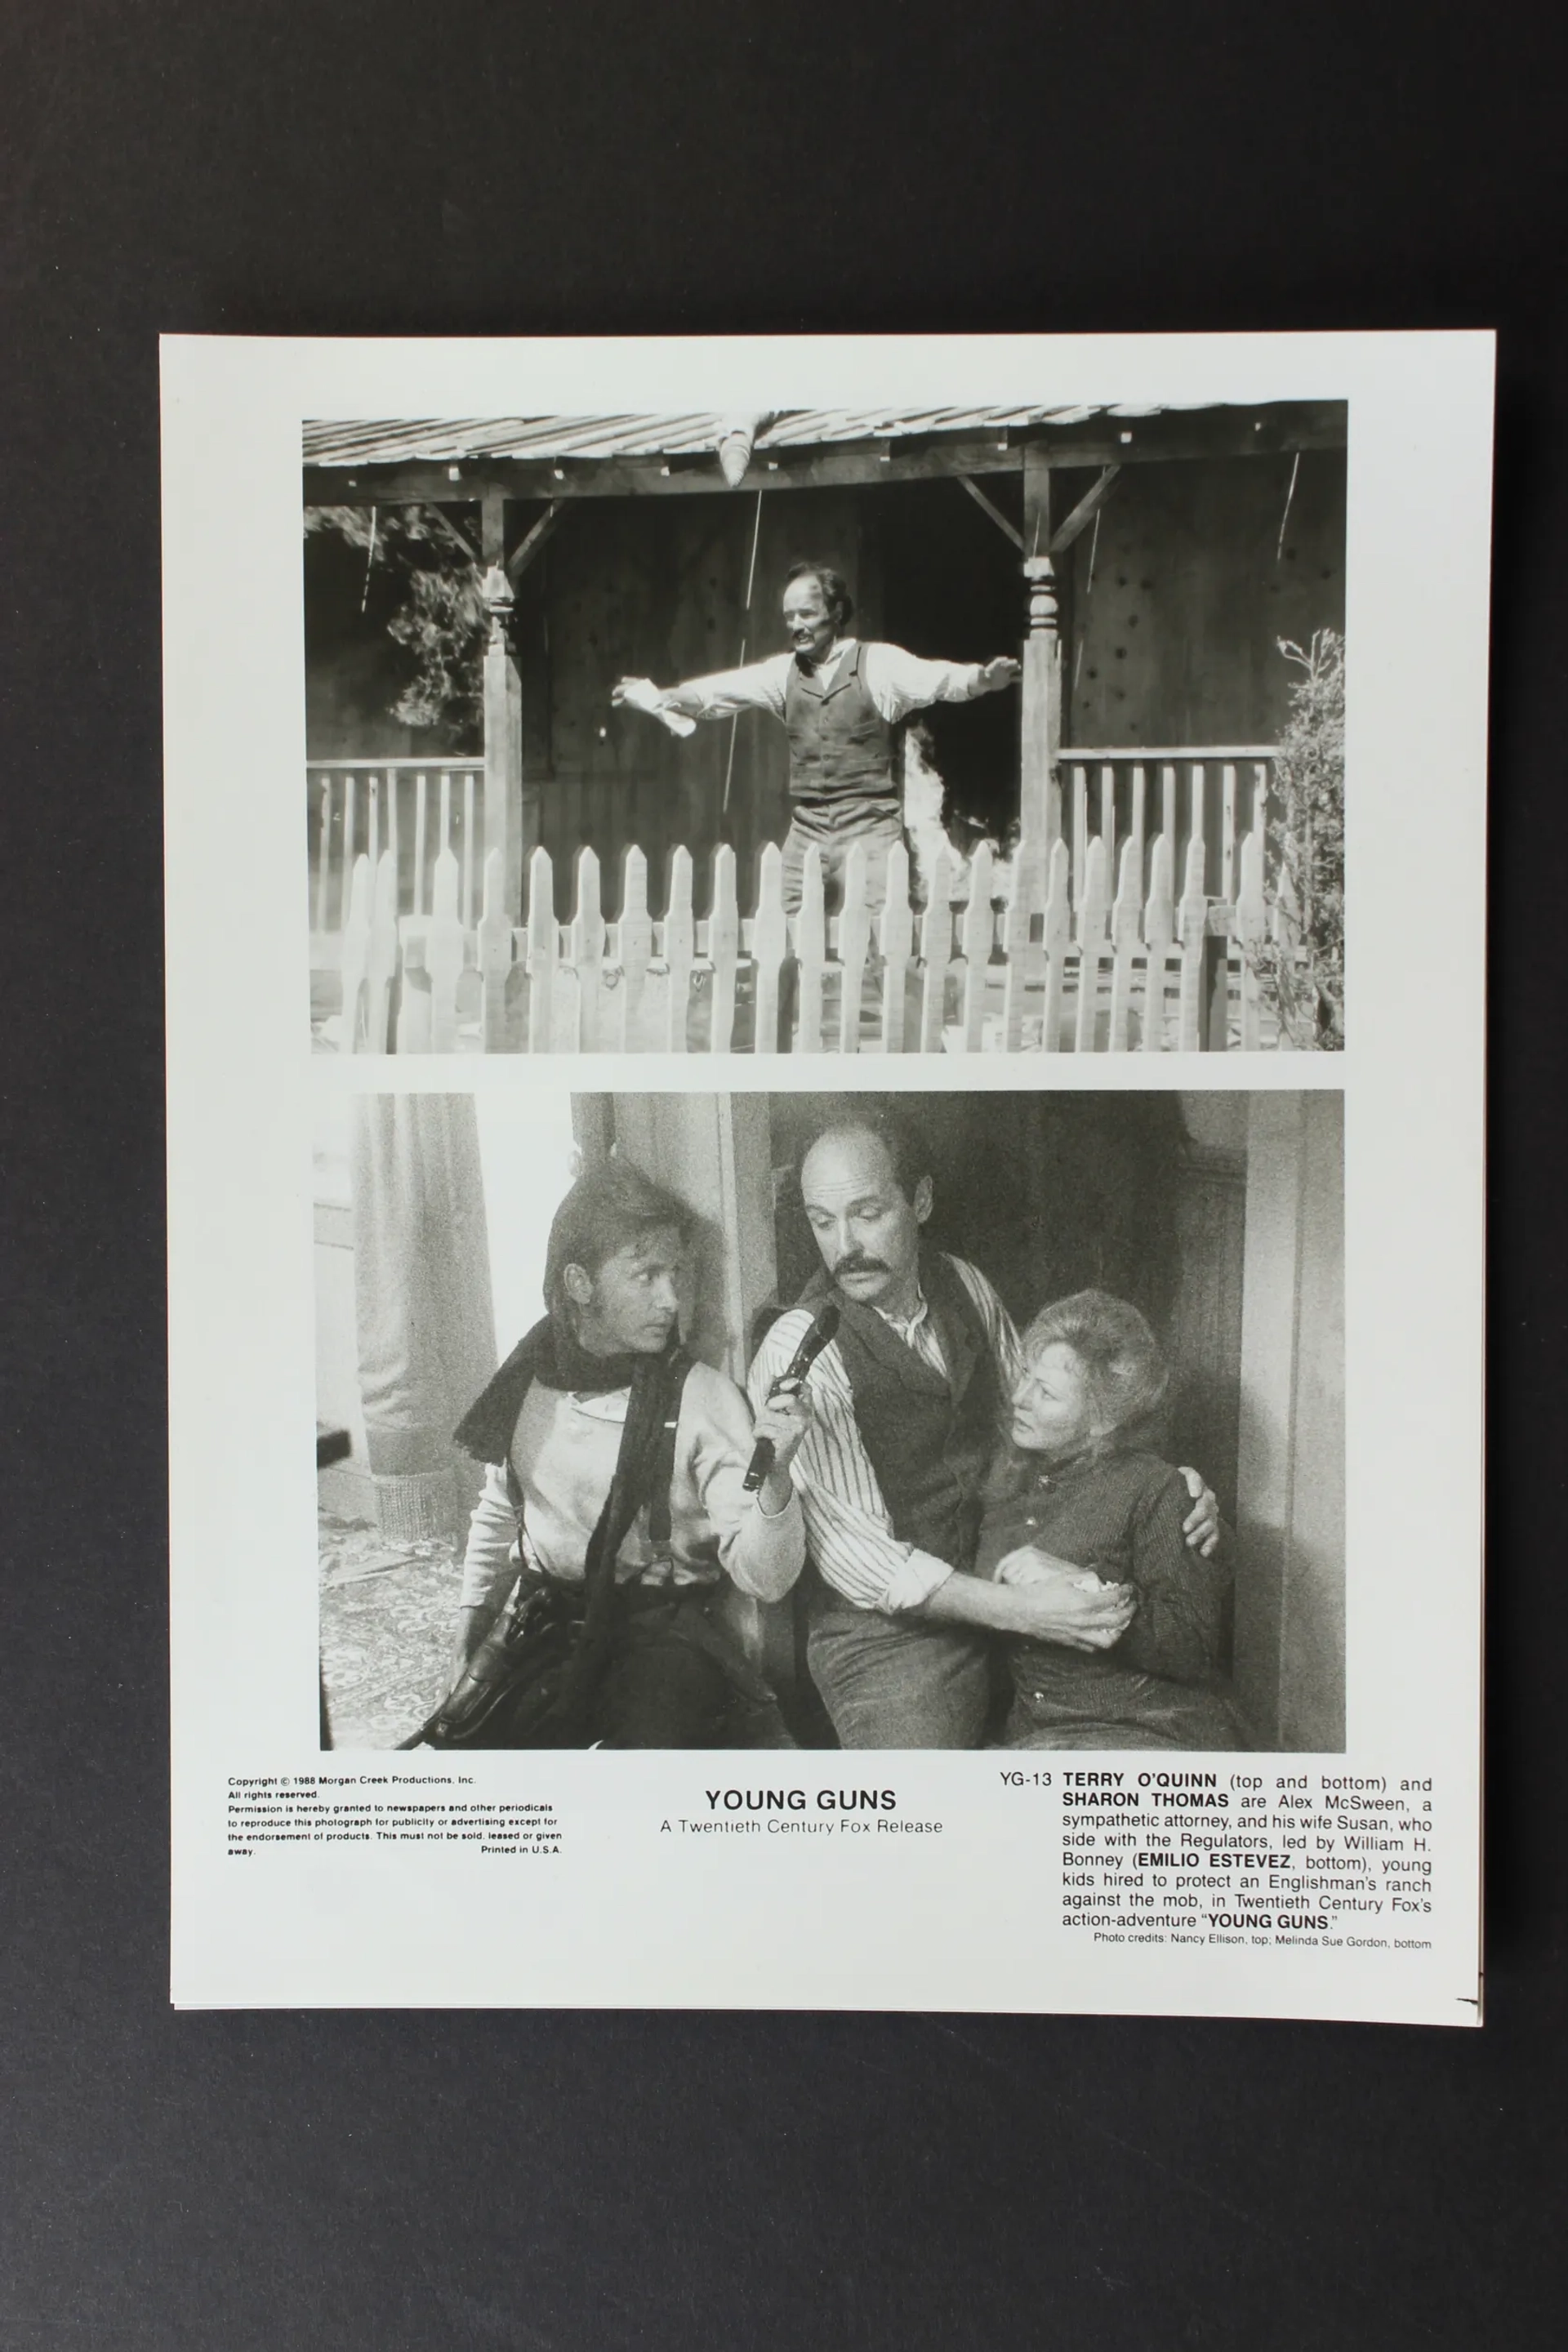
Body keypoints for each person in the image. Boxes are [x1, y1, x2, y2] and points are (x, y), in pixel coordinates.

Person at [746, 1112, 1220, 1749]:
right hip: (896, 1636)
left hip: (1006, 1583)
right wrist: (1024, 1612)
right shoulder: (799, 1349)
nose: (845, 1247)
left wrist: (1174, 1491)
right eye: (822, 1221)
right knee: (929, 1816)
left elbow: (1037, 1426)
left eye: (867, 1212)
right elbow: (864, 1562)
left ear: (920, 1200)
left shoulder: (964, 1283)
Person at [442, 1159, 812, 1748]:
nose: (671, 1300)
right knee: (458, 1755)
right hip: (545, 1620)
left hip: (660, 1637)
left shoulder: (703, 1399)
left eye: (677, 1274)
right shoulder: (527, 1380)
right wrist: (471, 1622)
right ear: (580, 1285)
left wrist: (776, 1479)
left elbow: (766, 1579)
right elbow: (502, 1506)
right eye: (645, 1276)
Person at [612, 561, 1020, 914]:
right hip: (807, 827)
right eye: (789, 618)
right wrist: (661, 696)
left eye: (806, 614)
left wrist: (981, 679)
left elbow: (937, 678)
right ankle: (784, 1009)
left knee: (881, 941)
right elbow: (716, 692)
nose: (796, 627)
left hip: (871, 825)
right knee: (782, 934)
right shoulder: (782, 673)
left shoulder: (876, 663)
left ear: (837, 612)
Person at [978, 1291, 1245, 1750]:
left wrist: (1088, 1587)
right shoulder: (1005, 1483)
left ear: (1102, 1419)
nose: (1020, 1399)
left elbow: (1193, 1647)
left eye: (1047, 1393)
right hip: (1038, 1734)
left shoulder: (1156, 1488)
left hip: (1146, 1730)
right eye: (1025, 1376)